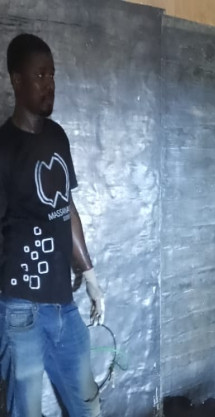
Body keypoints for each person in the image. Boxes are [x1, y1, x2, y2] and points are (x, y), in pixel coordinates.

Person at [0, 33, 105, 416]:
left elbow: (66, 207)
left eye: (53, 75)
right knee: (25, 411)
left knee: (87, 407)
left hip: (63, 304)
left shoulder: (57, 136)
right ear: (17, 80)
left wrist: (89, 275)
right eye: (40, 75)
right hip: (20, 308)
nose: (50, 85)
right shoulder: (4, 148)